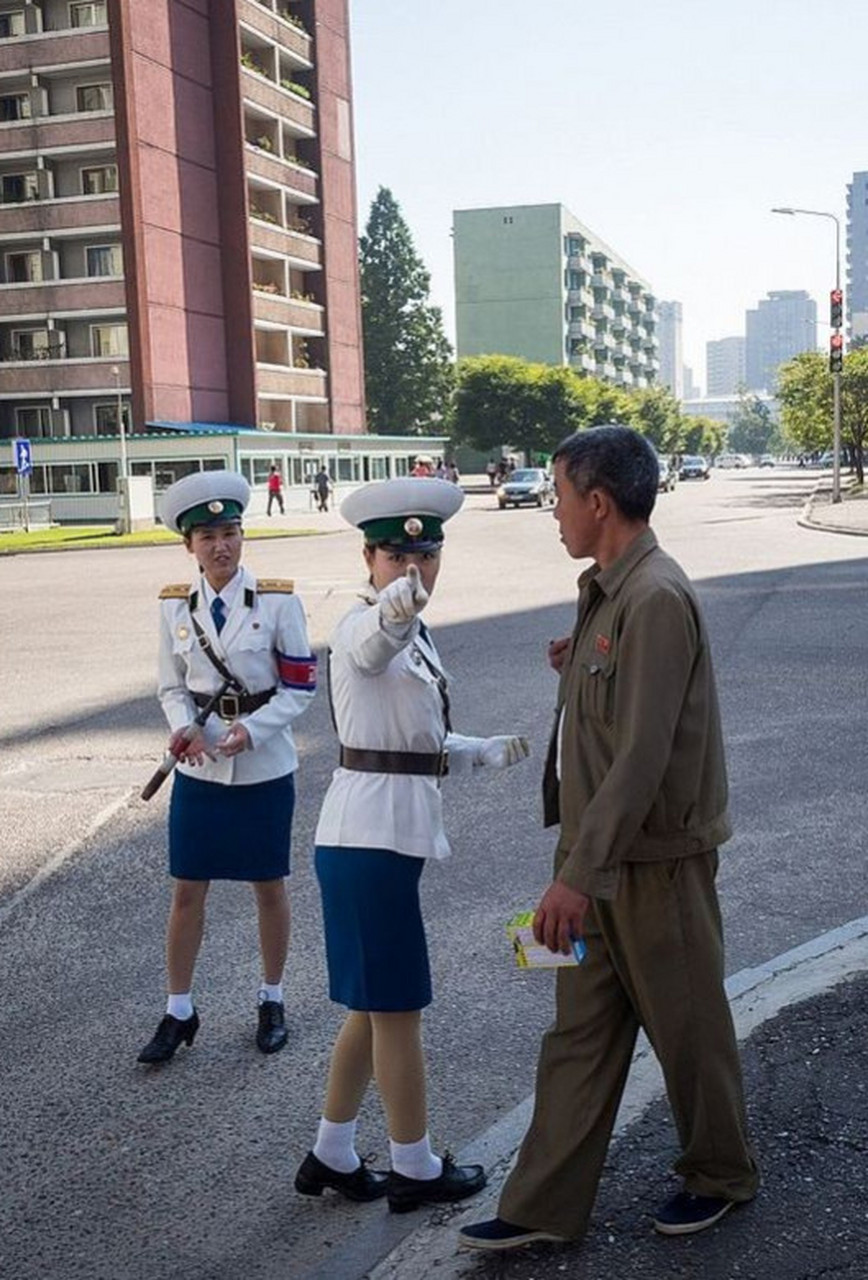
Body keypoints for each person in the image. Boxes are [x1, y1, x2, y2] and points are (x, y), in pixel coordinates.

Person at [460, 425, 759, 1252]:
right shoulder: (609, 588)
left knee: (687, 1029)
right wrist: (578, 667)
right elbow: (613, 707)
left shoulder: (656, 596)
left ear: (598, 501)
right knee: (579, 1037)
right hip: (595, 862)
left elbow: (642, 756)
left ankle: (721, 1174)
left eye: (557, 495)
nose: (550, 512)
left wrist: (575, 878)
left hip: (650, 867)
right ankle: (542, 1207)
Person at [293, 477, 530, 1210]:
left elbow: (410, 741)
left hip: (381, 844)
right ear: (368, 557)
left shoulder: (417, 632)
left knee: (372, 1009)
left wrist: (476, 749)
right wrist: (397, 603)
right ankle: (415, 1167)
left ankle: (331, 1153)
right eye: (396, 555)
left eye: (425, 554)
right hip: (367, 847)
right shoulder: (366, 623)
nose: (414, 567)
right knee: (398, 1012)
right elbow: (369, 648)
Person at [137, 470, 317, 1065]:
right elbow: (171, 686)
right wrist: (182, 727)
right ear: (189, 545)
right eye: (209, 535)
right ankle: (179, 1010)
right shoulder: (173, 608)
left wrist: (251, 730)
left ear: (243, 536)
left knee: (269, 885)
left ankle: (272, 999)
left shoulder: (278, 600)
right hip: (199, 769)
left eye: (231, 532)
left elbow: (299, 689)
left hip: (263, 766)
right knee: (188, 890)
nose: (222, 545)